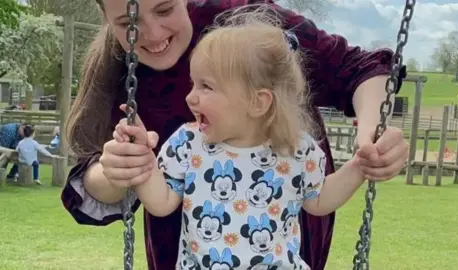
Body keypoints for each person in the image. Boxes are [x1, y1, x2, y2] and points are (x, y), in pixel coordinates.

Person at [61, 0, 409, 269]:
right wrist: (134, 164)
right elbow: (157, 198)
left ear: (260, 101)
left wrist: (368, 151)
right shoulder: (185, 140)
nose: (151, 33)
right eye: (127, 24)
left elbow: (359, 70)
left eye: (165, 8)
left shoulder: (252, 32)